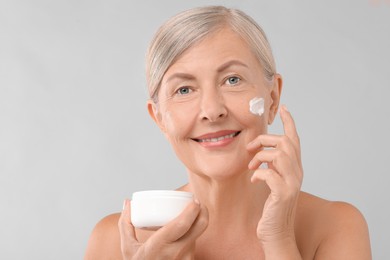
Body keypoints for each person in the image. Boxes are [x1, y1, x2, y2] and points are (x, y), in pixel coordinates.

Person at [85, 6, 371, 259]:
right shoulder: (116, 242)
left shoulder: (335, 227)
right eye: (184, 89)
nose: (212, 110)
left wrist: (279, 240)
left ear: (272, 99)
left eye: (232, 80)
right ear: (159, 117)